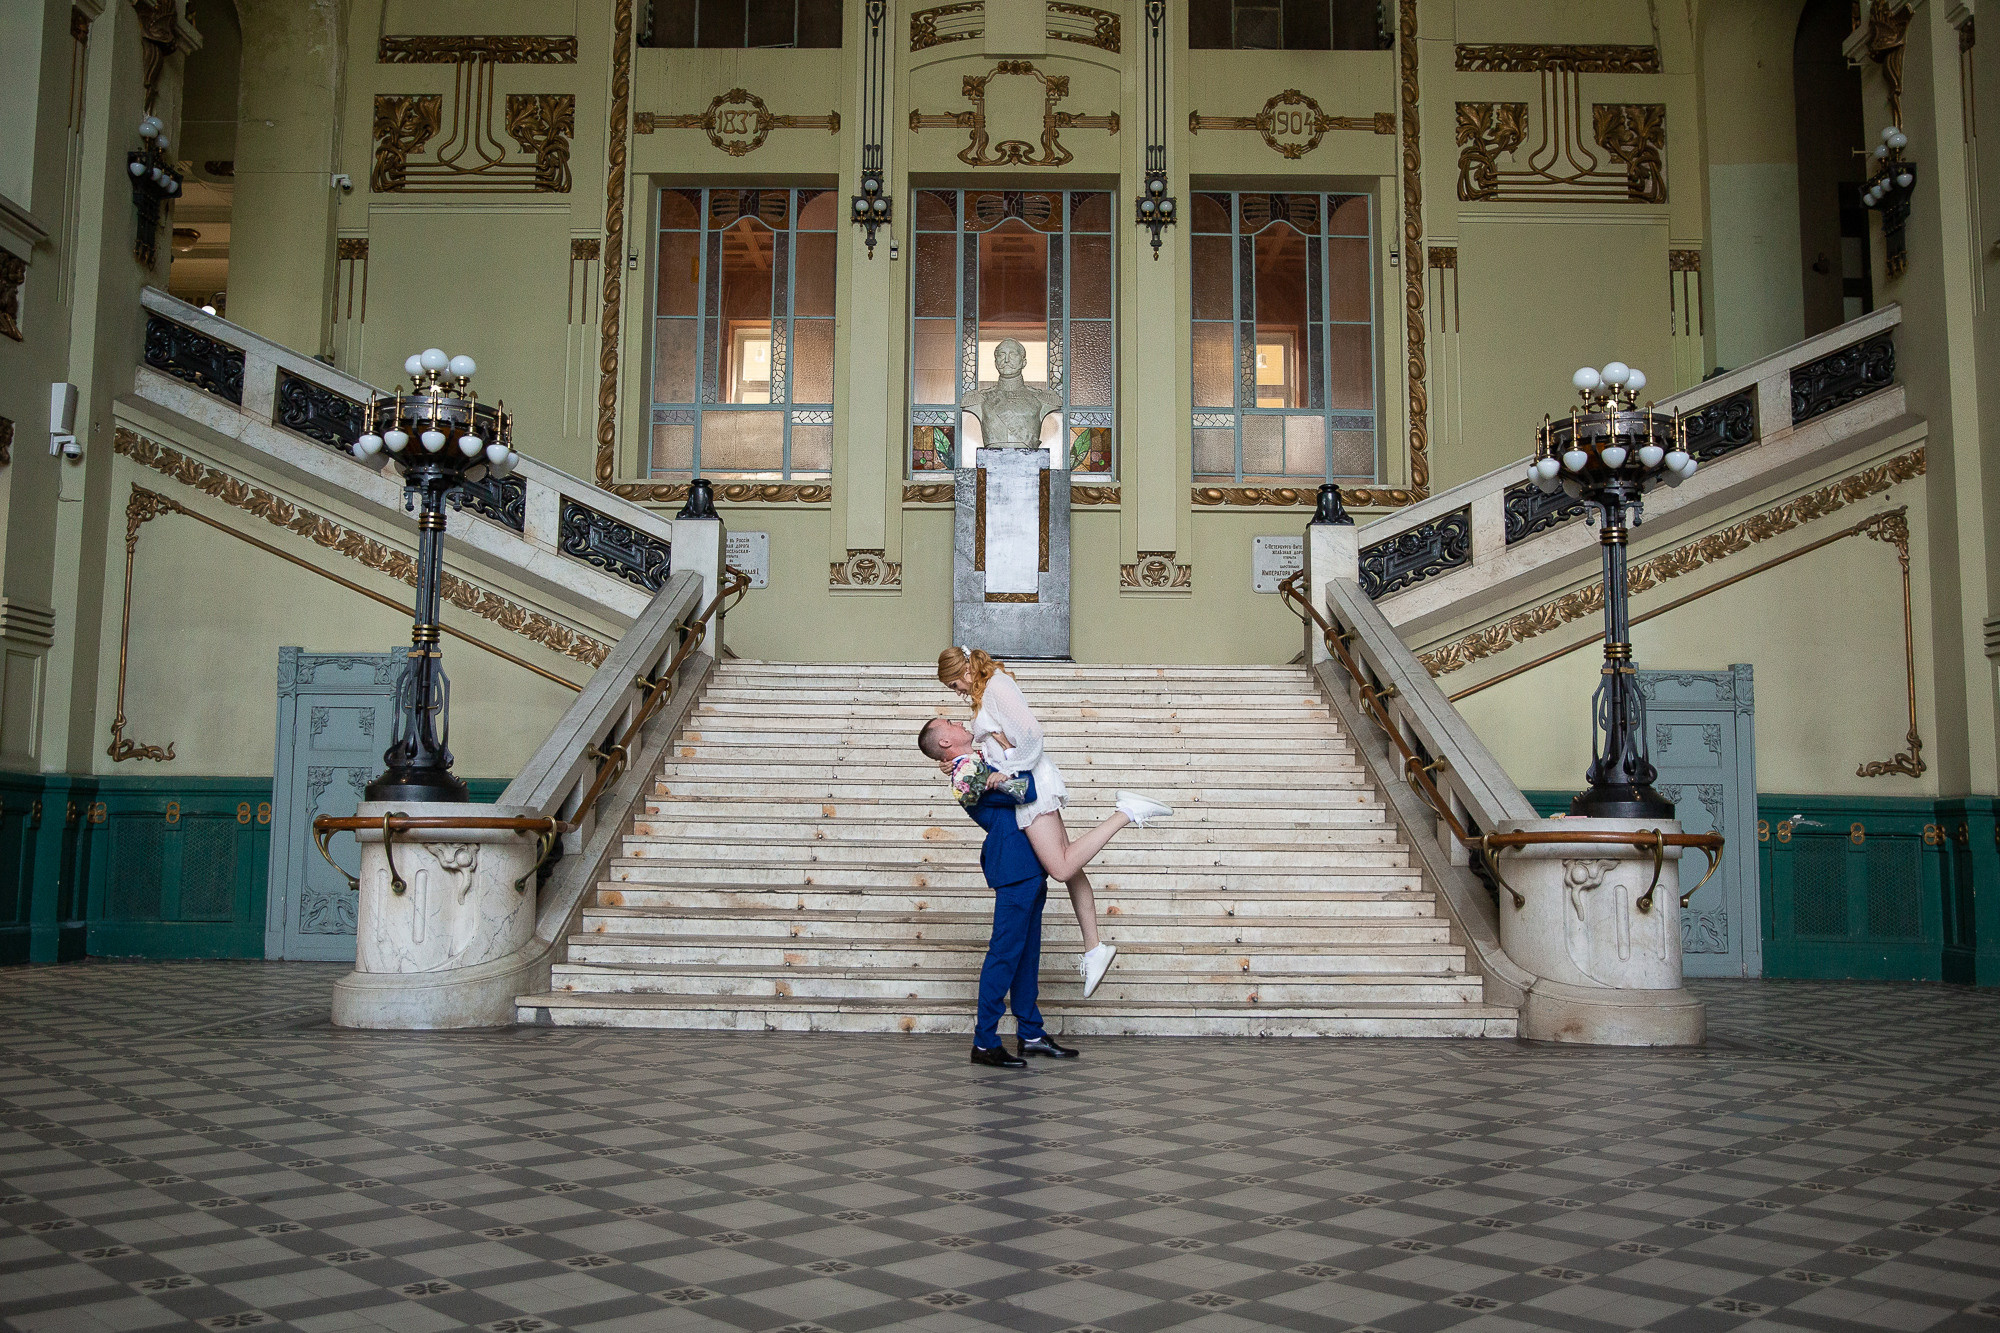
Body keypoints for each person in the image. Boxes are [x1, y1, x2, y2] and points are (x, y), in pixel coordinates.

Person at [933, 647, 1172, 997]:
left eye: (954, 683)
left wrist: (1007, 773)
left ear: (966, 670)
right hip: (1029, 781)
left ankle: (1127, 813)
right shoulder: (988, 692)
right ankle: (1095, 950)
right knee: (1071, 869)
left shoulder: (998, 687)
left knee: (1060, 867)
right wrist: (962, 762)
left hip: (1031, 786)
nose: (956, 692)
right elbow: (999, 744)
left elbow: (1031, 737)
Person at [918, 718, 1072, 1067]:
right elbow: (1026, 792)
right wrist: (1030, 764)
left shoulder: (975, 763)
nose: (959, 721)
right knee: (1004, 955)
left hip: (1028, 864)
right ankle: (985, 1041)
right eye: (950, 723)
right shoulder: (965, 774)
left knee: (1026, 954)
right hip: (1014, 867)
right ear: (944, 742)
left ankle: (1031, 1033)